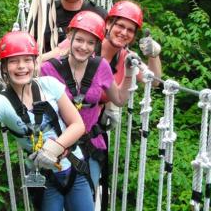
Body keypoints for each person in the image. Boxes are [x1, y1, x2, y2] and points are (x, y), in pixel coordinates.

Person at [0, 31, 95, 211]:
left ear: (35, 63)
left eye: (27, 60)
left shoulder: (49, 84)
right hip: (44, 179)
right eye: (14, 61)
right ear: (4, 67)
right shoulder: (1, 103)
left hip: (74, 168)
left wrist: (54, 148)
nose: (21, 66)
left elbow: (78, 125)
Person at [40, 10, 140, 192]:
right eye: (79, 40)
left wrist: (129, 73)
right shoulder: (48, 69)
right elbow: (28, 88)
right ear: (69, 37)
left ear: (97, 45)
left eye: (91, 43)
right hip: (55, 145)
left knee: (86, 196)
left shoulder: (101, 66)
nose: (84, 47)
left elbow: (118, 99)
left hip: (90, 145)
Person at [100, 0, 162, 127]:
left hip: (92, 122)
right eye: (120, 26)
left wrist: (153, 55)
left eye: (130, 30)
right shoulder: (85, 45)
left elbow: (154, 81)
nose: (124, 33)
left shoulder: (127, 60)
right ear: (108, 24)